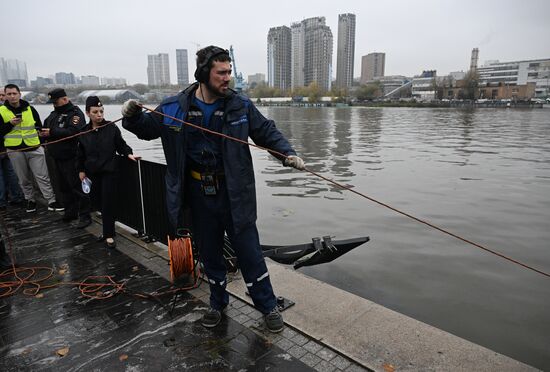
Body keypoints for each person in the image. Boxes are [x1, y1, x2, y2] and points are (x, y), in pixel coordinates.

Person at [121, 45, 305, 333]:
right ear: (204, 73)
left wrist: (287, 153)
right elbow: (147, 129)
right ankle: (217, 303)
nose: (227, 78)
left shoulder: (240, 106)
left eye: (229, 72)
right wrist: (131, 116)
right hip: (198, 195)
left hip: (235, 195)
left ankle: (267, 305)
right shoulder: (173, 108)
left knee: (250, 252)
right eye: (221, 72)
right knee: (209, 253)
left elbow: (266, 131)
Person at [77, 96, 139, 248]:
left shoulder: (111, 128)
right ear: (87, 113)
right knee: (97, 202)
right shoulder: (82, 132)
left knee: (108, 204)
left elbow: (121, 145)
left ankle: (109, 234)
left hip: (109, 172)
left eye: (101, 111)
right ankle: (106, 231)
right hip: (92, 173)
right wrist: (81, 170)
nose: (99, 115)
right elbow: (80, 154)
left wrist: (129, 154)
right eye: (95, 112)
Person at [0, 84, 63, 213]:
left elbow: (38, 126)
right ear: (5, 96)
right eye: (9, 94)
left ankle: (51, 200)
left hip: (34, 147)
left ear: (19, 94)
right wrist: (9, 124)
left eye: (14, 93)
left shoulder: (30, 109)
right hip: (15, 150)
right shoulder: (1, 111)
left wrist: (41, 139)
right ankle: (30, 200)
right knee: (23, 178)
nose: (12, 96)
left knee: (43, 176)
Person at [42, 88, 91, 228]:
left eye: (56, 102)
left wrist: (52, 132)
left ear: (64, 99)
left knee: (78, 188)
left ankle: (85, 216)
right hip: (57, 157)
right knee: (64, 188)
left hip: (71, 157)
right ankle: (70, 213)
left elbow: (74, 132)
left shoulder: (75, 114)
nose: (54, 105)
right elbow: (46, 127)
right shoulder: (53, 115)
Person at [0, 88, 24, 211]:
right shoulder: (4, 110)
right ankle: (15, 197)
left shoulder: (5, 110)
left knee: (10, 173)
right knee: (9, 173)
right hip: (6, 147)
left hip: (8, 147)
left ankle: (6, 200)